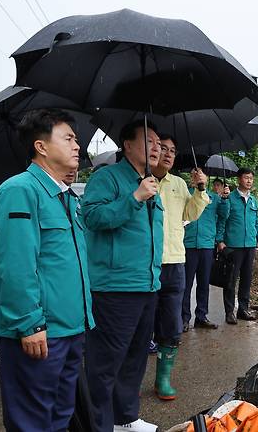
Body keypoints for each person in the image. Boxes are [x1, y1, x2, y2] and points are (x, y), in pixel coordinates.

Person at [0, 109, 94, 431]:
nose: (77, 145)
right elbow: (15, 265)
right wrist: (29, 324)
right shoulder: (20, 191)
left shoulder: (64, 197)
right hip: (39, 332)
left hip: (70, 328)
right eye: (69, 138)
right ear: (42, 146)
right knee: (31, 420)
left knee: (59, 416)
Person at [81, 120, 163, 432]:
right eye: (149, 141)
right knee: (104, 365)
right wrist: (134, 198)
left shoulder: (150, 181)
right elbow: (93, 217)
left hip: (147, 285)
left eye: (158, 143)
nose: (156, 147)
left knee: (136, 357)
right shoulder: (108, 177)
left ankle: (124, 418)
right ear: (126, 145)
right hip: (115, 288)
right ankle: (98, 424)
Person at [150, 134, 210, 400]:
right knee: (142, 323)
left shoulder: (178, 184)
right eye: (163, 148)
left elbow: (191, 214)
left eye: (173, 150)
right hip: (145, 263)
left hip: (175, 260)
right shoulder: (140, 180)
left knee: (172, 323)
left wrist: (200, 189)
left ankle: (163, 378)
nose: (168, 154)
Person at [182, 172, 230, 331]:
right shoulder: (186, 193)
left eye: (201, 175)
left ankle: (201, 316)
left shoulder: (214, 197)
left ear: (206, 178)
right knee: (186, 284)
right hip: (187, 245)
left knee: (203, 284)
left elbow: (224, 215)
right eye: (195, 175)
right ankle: (184, 318)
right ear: (191, 178)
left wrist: (224, 199)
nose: (198, 177)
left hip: (207, 245)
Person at [217, 168, 258, 325]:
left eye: (251, 178)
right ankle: (229, 312)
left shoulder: (253, 201)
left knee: (246, 279)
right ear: (239, 180)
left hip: (250, 245)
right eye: (246, 178)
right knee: (231, 279)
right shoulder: (230, 198)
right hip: (234, 245)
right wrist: (220, 240)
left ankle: (243, 309)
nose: (249, 181)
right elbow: (222, 220)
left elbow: (256, 221)